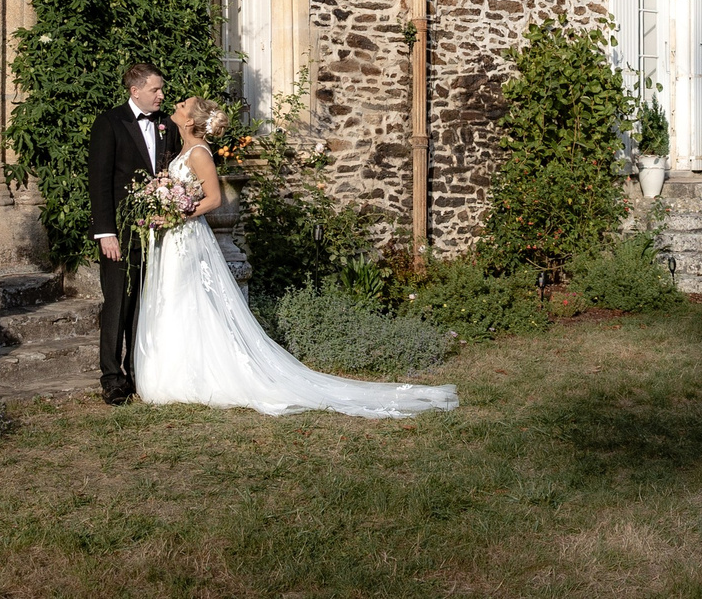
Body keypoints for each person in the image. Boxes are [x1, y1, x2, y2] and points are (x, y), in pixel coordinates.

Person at [132, 94, 458, 418]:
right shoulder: (185, 150)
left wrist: (177, 215)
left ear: (190, 120)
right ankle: (176, 373)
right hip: (175, 238)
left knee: (185, 300)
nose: (175, 107)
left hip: (186, 236)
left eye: (181, 106)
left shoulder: (200, 153)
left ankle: (190, 378)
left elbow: (215, 199)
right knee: (177, 300)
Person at [86, 62, 177, 405]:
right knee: (117, 305)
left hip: (157, 231)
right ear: (134, 90)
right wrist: (105, 232)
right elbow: (100, 182)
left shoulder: (167, 126)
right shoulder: (109, 123)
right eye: (155, 89)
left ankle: (138, 371)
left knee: (145, 303)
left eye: (161, 89)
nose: (161, 95)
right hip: (120, 232)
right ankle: (111, 378)